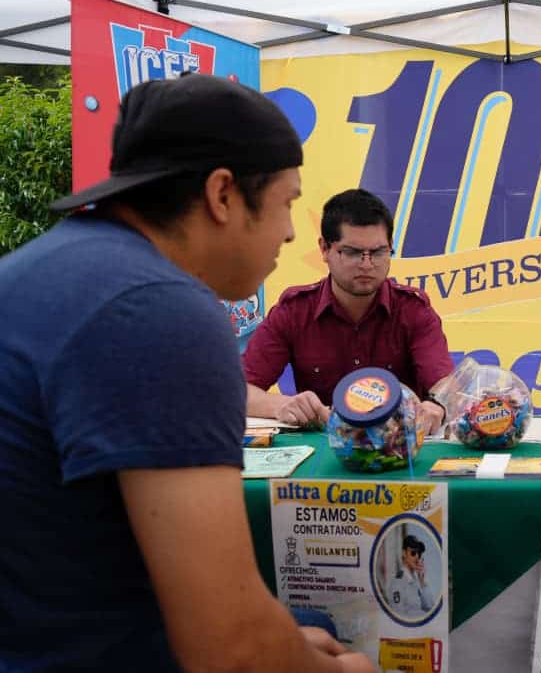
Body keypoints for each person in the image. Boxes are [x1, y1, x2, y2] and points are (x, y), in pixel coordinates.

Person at [0, 75, 374, 672]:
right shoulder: (157, 309)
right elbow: (232, 650)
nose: (289, 231)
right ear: (222, 194)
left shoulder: (41, 270)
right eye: (286, 202)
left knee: (308, 627)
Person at [243, 189, 453, 433]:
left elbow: (448, 390)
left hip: (397, 448)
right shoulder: (294, 311)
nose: (367, 264)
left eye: (378, 252)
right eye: (352, 252)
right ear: (324, 249)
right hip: (324, 447)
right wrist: (281, 405)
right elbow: (236, 391)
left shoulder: (414, 310)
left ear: (391, 247)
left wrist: (438, 406)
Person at [385, 535, 434, 617]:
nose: (417, 557)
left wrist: (422, 581)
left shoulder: (417, 581)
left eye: (419, 554)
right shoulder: (398, 582)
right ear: (404, 553)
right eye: (413, 553)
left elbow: (430, 608)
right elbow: (398, 616)